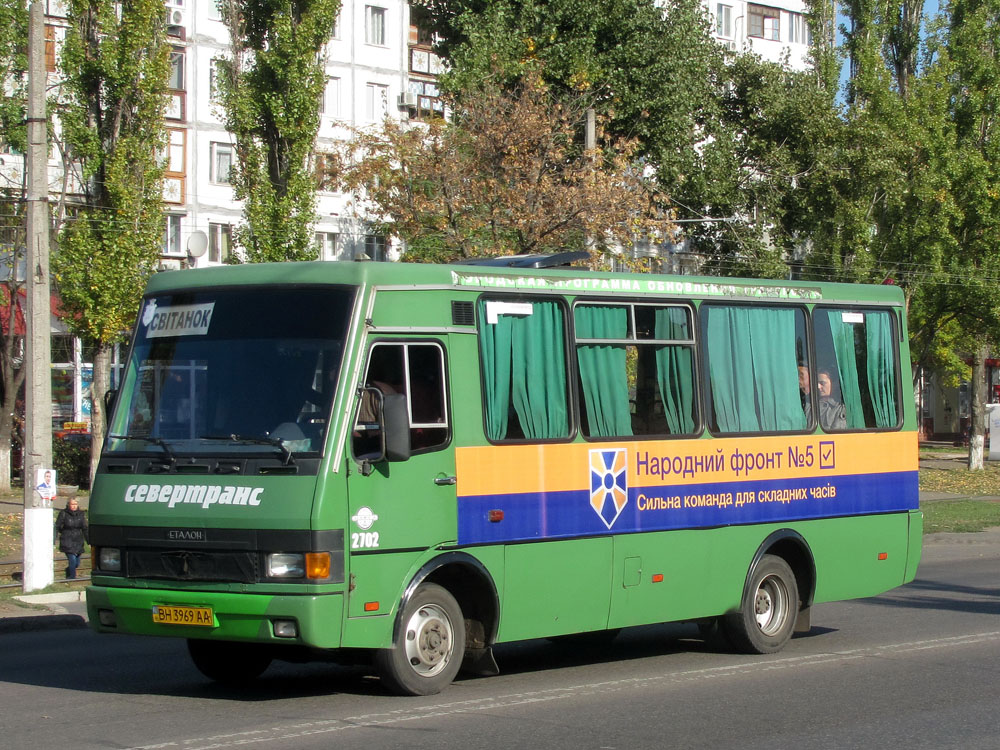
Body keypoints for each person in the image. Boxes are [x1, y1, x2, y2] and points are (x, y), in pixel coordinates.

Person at [55, 497, 89, 579]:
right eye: (72, 504)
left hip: (78, 539)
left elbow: (84, 528)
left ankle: (69, 570)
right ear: (68, 505)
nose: (74, 506)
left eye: (75, 504)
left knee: (77, 562)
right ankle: (72, 577)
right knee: (72, 559)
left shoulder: (81, 514)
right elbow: (57, 526)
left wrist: (89, 540)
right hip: (67, 539)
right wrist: (62, 533)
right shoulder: (63, 513)